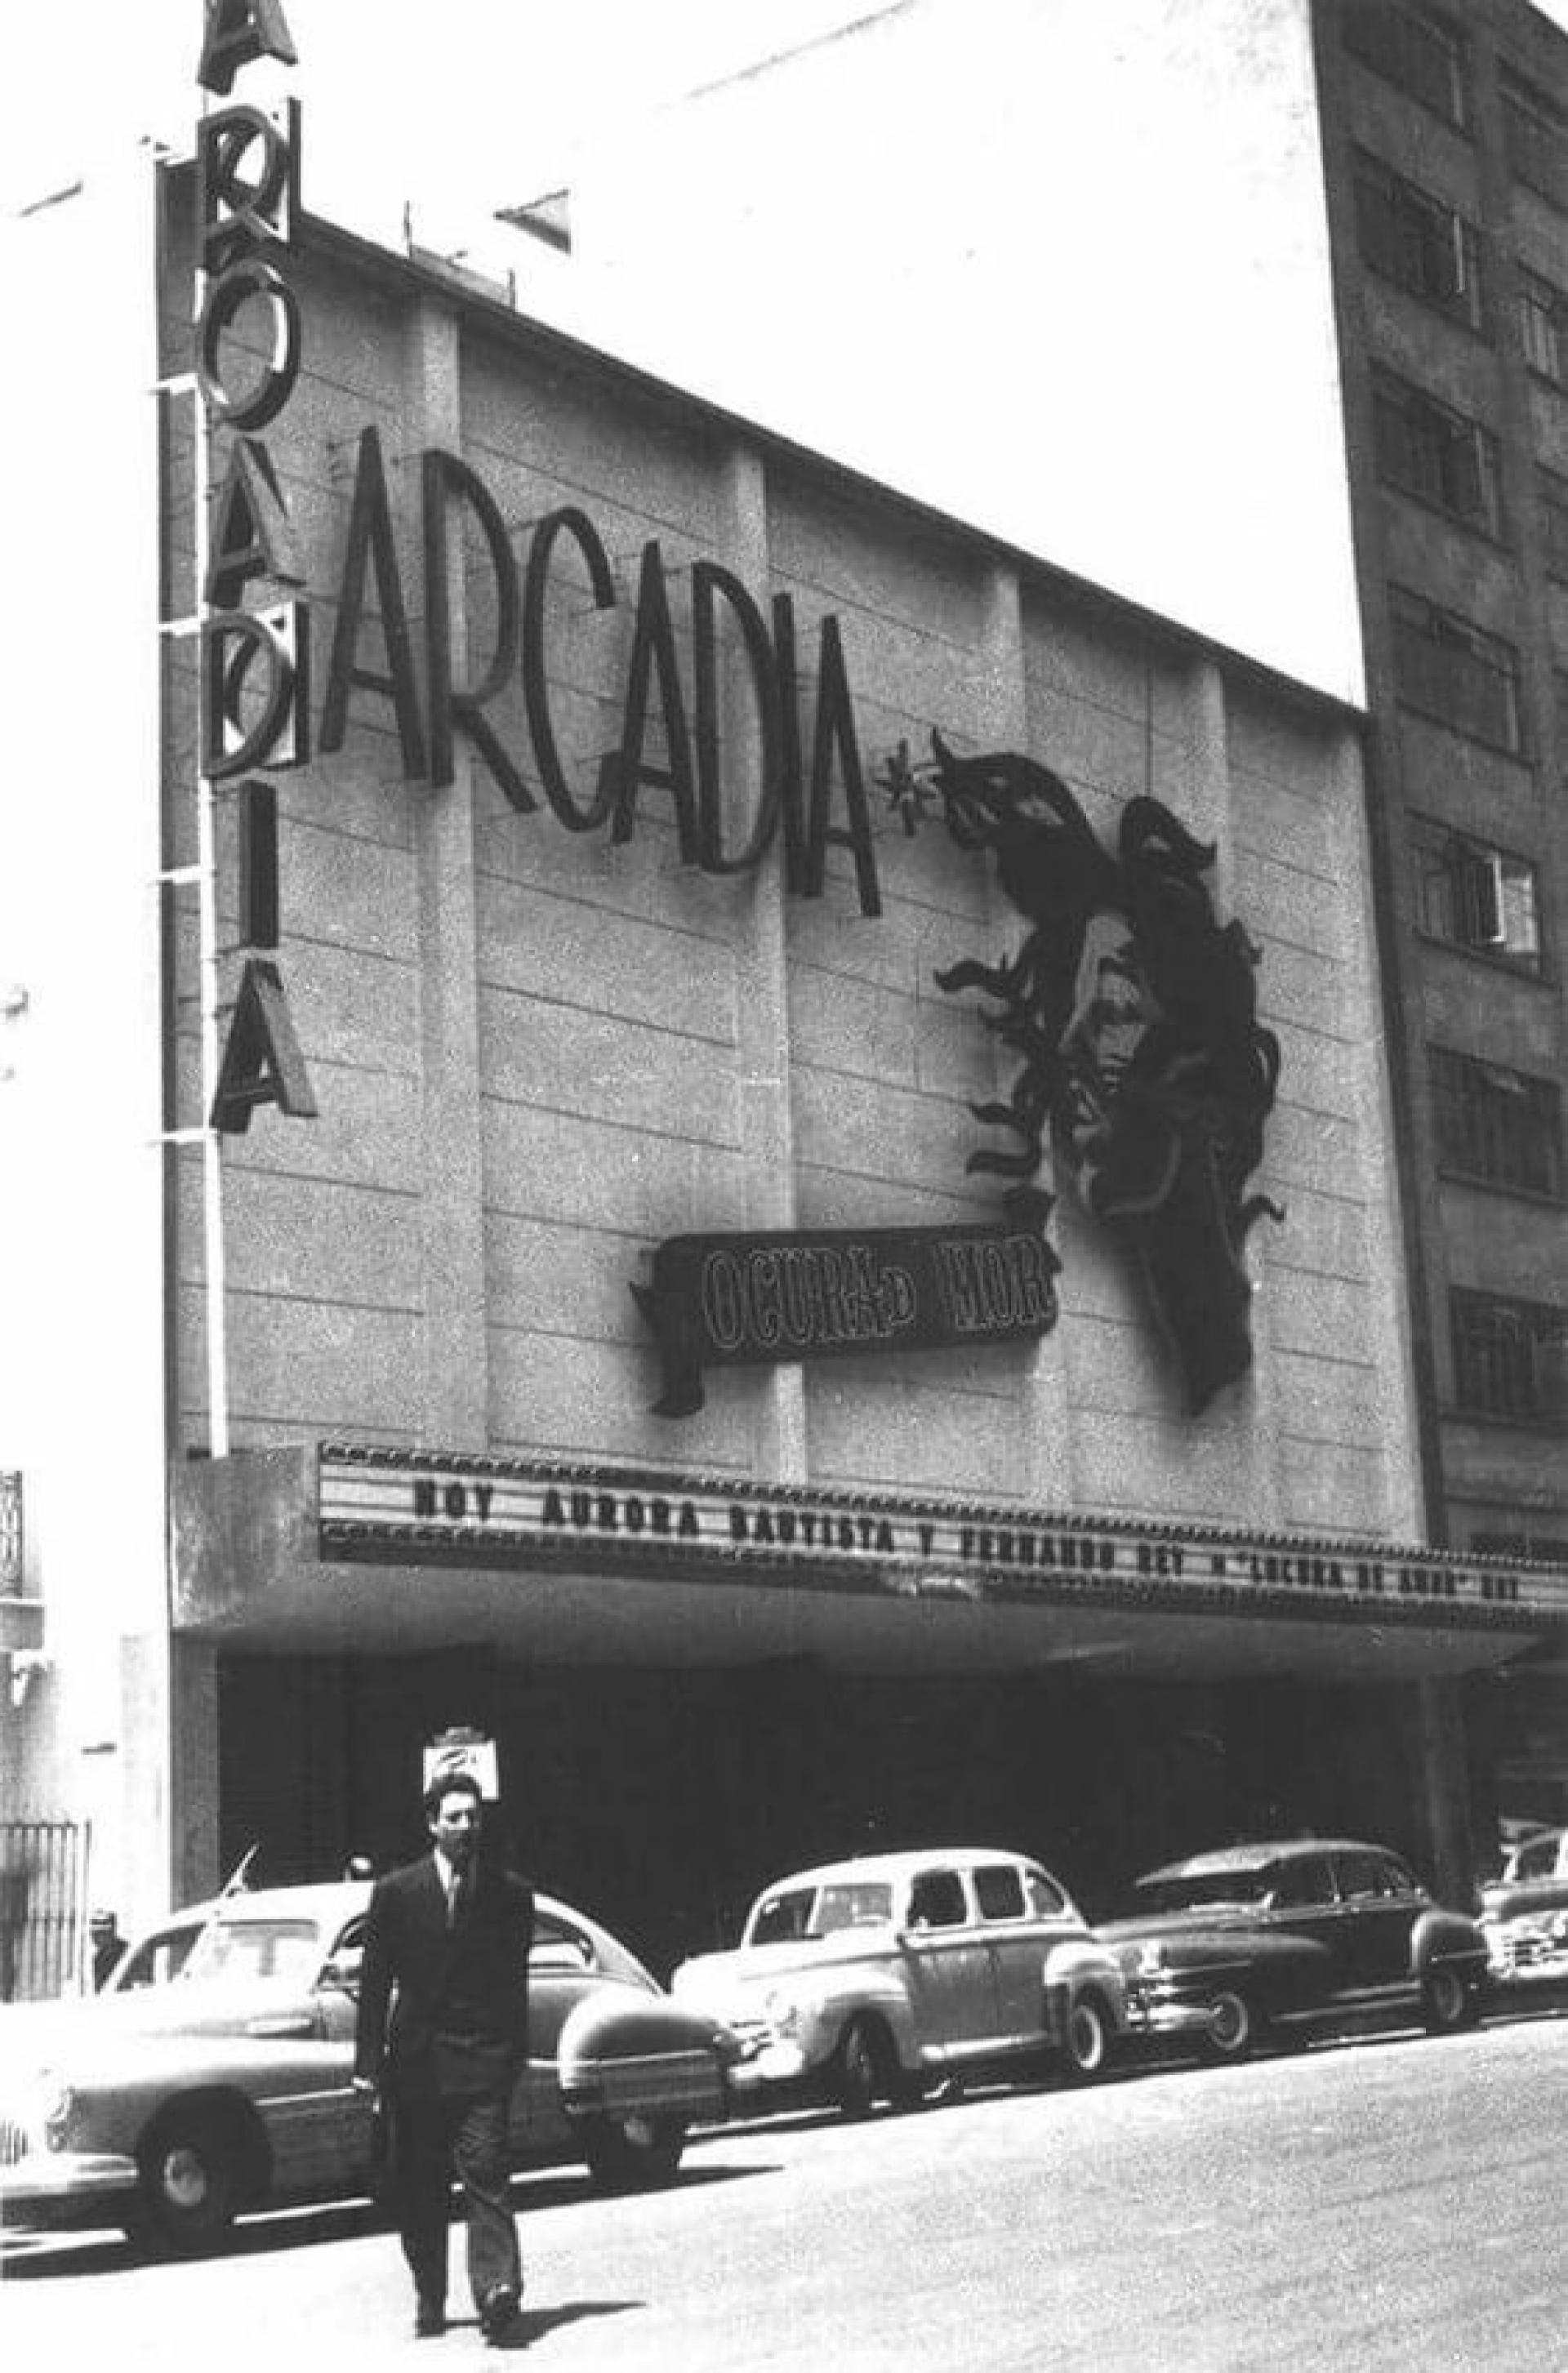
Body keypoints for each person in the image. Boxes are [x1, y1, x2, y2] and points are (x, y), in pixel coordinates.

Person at [353, 1771, 535, 2344]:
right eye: (454, 1817)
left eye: (473, 1816)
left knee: (488, 2178)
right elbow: (376, 1982)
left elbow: (514, 1984)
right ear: (433, 1824)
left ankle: (497, 2292)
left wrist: (514, 2056)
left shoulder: (509, 1896)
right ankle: (429, 2292)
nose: (465, 1826)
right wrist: (367, 2065)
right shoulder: (396, 1893)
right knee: (421, 2188)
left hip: (482, 2061)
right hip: (417, 2067)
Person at [89, 1908, 127, 1991]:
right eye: (94, 1931)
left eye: (102, 1931)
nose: (95, 1936)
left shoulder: (126, 1953)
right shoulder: (98, 1958)